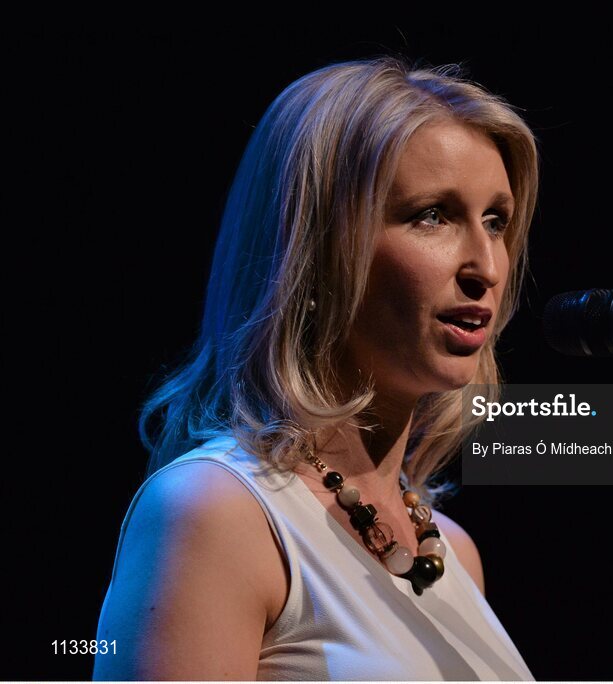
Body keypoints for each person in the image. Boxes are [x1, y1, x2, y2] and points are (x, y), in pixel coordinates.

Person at [93, 55, 538, 680]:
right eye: (432, 214)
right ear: (317, 249)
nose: (486, 267)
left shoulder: (453, 554)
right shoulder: (215, 513)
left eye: (496, 221)